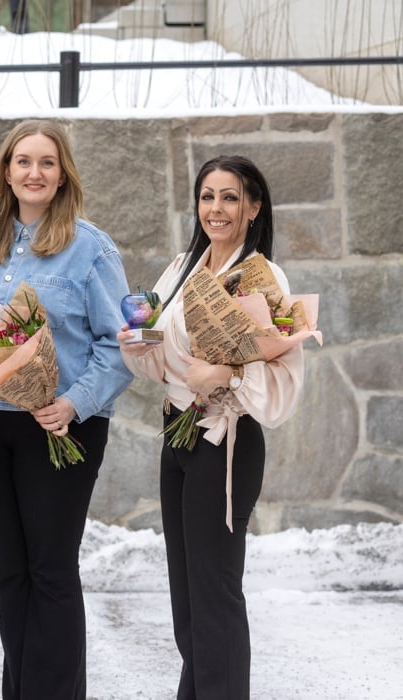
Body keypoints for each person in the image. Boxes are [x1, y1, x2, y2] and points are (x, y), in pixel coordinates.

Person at [0, 119, 132, 699]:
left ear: (62, 176)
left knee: (51, 573)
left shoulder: (91, 247)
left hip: (60, 427)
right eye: (23, 161)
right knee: (8, 575)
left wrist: (73, 404)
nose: (34, 172)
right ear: (6, 172)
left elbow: (119, 345)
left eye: (47, 163)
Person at [119, 156, 303, 699]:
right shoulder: (181, 268)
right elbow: (158, 357)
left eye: (229, 197)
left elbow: (284, 380)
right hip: (177, 434)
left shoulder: (261, 279)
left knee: (215, 595)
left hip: (227, 441)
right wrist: (137, 341)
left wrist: (227, 372)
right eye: (207, 196)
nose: (216, 209)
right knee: (187, 599)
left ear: (253, 207)